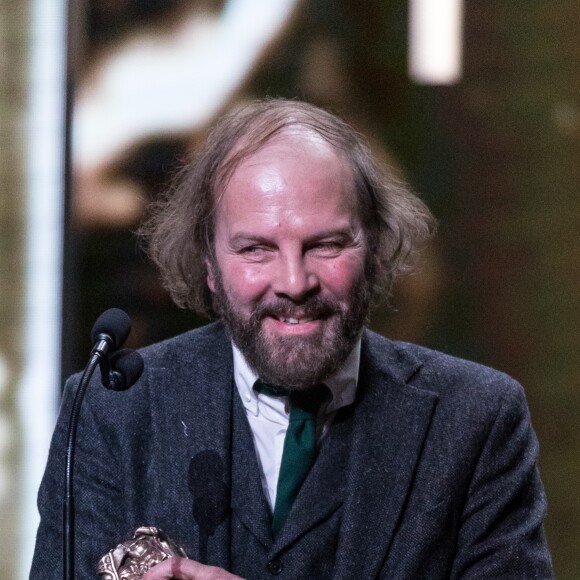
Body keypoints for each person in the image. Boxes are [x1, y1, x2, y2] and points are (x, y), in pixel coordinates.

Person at [31, 99, 553, 579]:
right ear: (209, 265)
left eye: (325, 245)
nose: (294, 283)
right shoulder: (112, 412)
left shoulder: (477, 420)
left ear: (374, 249)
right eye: (256, 249)